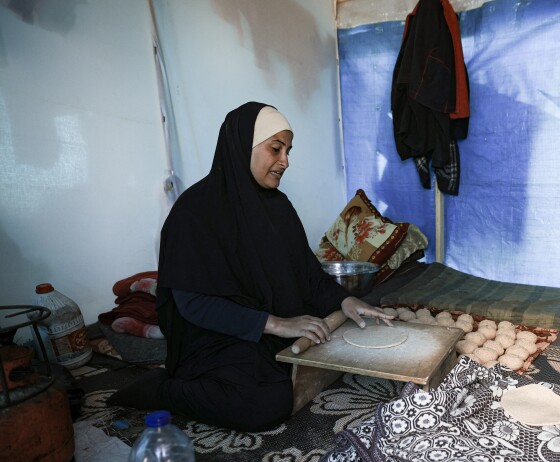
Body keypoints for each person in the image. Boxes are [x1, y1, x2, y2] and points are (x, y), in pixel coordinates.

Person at [108, 102, 393, 431]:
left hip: (265, 329)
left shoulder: (278, 207)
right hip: (214, 337)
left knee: (331, 352)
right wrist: (277, 325)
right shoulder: (195, 212)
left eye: (287, 150)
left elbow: (308, 275)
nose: (285, 161)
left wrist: (346, 301)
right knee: (265, 403)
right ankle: (164, 390)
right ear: (243, 145)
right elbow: (194, 304)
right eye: (276, 148)